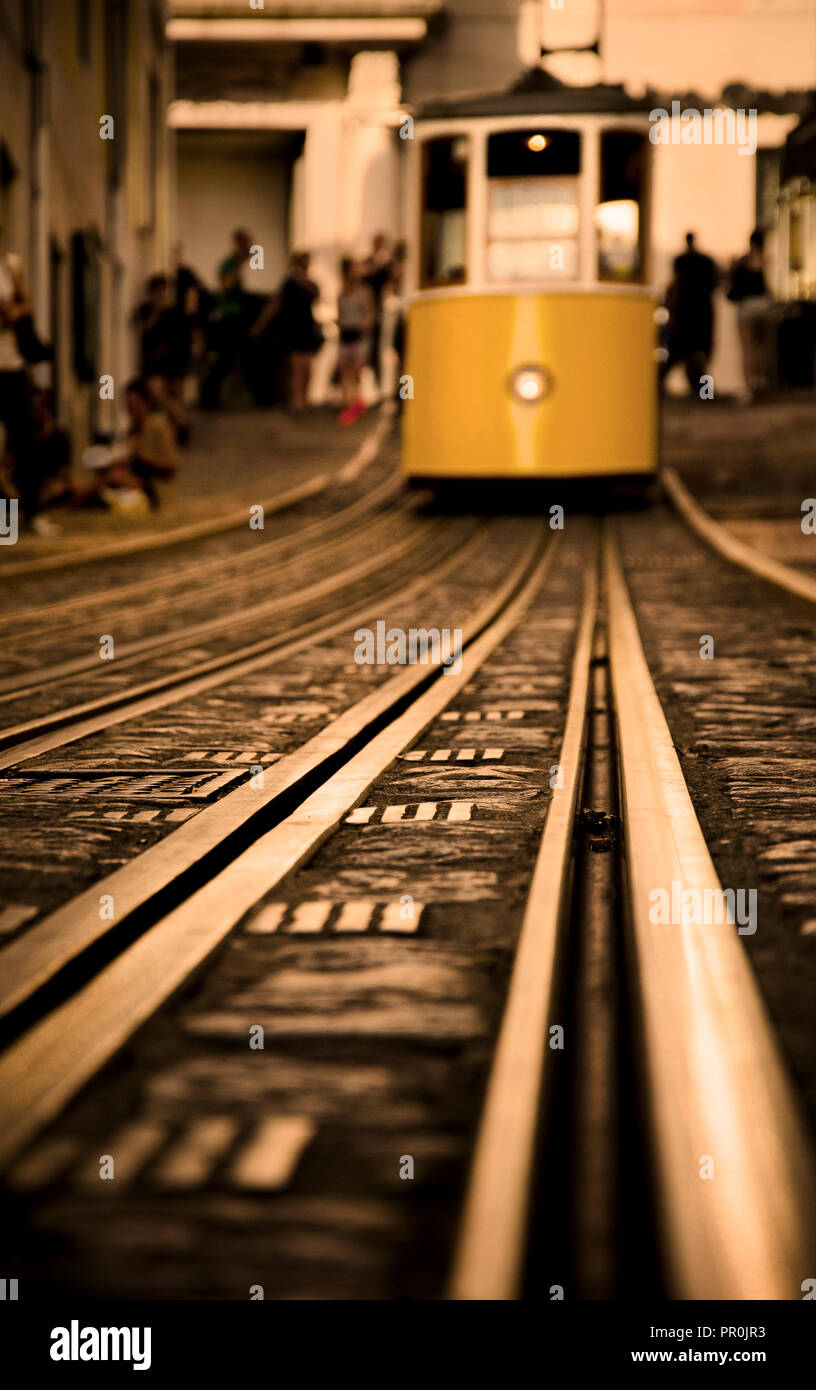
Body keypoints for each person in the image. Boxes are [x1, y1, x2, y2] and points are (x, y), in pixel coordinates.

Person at [0, 239, 46, 530]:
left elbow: (25, 307)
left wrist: (15, 308)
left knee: (23, 441)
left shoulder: (9, 264)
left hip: (13, 367)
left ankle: (31, 511)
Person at [200, 228, 253, 409]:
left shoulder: (237, 264)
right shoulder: (229, 264)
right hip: (227, 317)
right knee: (224, 358)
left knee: (230, 359)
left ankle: (216, 396)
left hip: (236, 316)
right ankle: (209, 396)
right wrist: (240, 265)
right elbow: (226, 286)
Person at [662, 232, 718, 397]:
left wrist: (671, 309)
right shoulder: (706, 261)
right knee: (699, 357)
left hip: (685, 313)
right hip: (701, 312)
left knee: (677, 355)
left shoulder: (682, 262)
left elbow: (675, 286)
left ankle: (657, 388)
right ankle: (705, 393)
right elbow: (714, 284)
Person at [135, 274, 190, 440]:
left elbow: (183, 335)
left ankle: (175, 433)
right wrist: (156, 311)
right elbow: (145, 329)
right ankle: (182, 420)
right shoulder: (147, 309)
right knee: (158, 393)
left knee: (175, 396)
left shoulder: (175, 311)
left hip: (174, 360)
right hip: (154, 362)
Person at [727, 229, 771, 403]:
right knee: (761, 345)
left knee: (747, 347)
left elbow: (733, 283)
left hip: (746, 307)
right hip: (763, 304)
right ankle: (761, 381)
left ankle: (749, 387)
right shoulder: (765, 260)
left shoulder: (743, 261)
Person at [277, 252, 322, 412]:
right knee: (296, 365)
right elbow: (278, 301)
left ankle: (305, 396)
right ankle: (297, 399)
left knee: (308, 364)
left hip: (307, 325)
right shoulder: (289, 282)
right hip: (293, 326)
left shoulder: (308, 283)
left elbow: (317, 294)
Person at [336, 257, 375, 425]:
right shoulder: (341, 292)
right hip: (346, 334)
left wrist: (365, 325)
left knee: (356, 371)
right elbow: (341, 314)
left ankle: (354, 405)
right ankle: (351, 405)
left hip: (359, 336)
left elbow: (371, 313)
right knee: (346, 371)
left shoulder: (364, 291)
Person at [362, 232, 394, 391]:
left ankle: (384, 385)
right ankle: (372, 386)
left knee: (383, 348)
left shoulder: (387, 264)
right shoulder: (370, 262)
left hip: (382, 310)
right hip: (370, 311)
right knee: (370, 349)